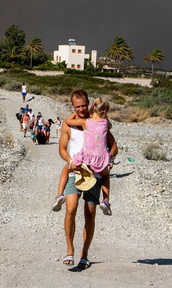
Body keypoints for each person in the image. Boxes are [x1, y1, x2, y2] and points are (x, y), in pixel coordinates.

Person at [54, 89, 118, 269]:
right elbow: (62, 149)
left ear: (89, 103)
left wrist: (108, 160)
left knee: (90, 214)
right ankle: (69, 250)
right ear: (72, 106)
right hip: (76, 171)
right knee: (71, 209)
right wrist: (70, 161)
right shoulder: (69, 125)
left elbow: (113, 147)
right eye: (77, 106)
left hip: (95, 174)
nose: (81, 109)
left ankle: (84, 255)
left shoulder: (97, 121)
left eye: (83, 105)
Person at [63, 97, 113, 216]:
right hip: (101, 159)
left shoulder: (86, 122)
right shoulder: (106, 123)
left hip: (86, 159)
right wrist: (109, 158)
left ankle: (59, 194)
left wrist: (75, 112)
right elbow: (109, 127)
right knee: (106, 176)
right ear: (105, 111)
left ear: (91, 107)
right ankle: (106, 200)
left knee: (67, 168)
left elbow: (68, 121)